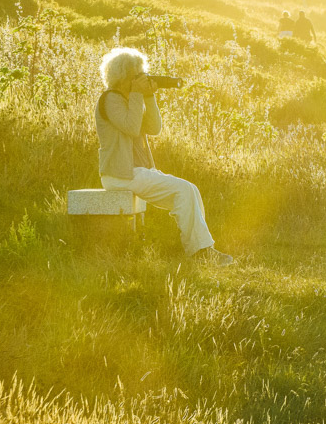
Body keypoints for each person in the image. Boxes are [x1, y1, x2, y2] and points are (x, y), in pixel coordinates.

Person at [95, 47, 234, 265]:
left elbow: (154, 128)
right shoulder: (110, 99)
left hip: (137, 173)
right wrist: (138, 94)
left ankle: (201, 249)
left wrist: (149, 96)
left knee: (190, 191)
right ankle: (200, 252)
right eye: (137, 75)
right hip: (121, 174)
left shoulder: (131, 99)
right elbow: (131, 127)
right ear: (123, 76)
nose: (142, 79)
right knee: (183, 189)